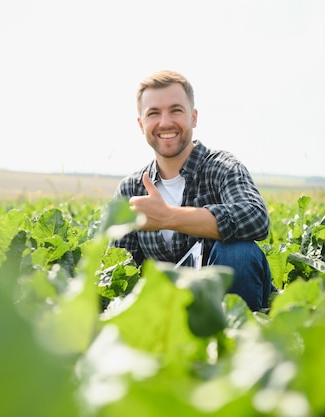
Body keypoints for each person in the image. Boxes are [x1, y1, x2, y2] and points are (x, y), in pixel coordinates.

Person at [109, 70, 272, 311]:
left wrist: (169, 217)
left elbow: (256, 218)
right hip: (168, 312)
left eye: (176, 110)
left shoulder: (222, 168)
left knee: (238, 251)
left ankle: (239, 337)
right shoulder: (131, 189)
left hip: (228, 303)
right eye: (153, 113)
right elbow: (119, 269)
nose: (165, 122)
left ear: (193, 117)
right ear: (141, 124)